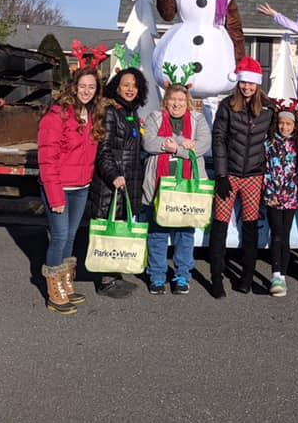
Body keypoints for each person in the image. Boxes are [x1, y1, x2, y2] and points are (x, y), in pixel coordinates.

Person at [38, 68, 106, 315]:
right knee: (59, 237)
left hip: (81, 187)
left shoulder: (91, 114)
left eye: (92, 87)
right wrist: (55, 196)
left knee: (70, 237)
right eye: (83, 86)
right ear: (73, 87)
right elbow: (47, 159)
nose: (87, 91)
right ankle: (54, 292)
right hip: (60, 188)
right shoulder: (56, 116)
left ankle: (66, 284)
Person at [209, 57, 274, 298]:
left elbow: (279, 135)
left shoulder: (268, 108)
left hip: (254, 175)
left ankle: (246, 277)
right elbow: (219, 139)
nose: (246, 87)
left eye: (251, 83)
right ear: (238, 83)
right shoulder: (227, 105)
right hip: (230, 174)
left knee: (250, 228)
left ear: (257, 84)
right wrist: (222, 173)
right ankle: (216, 279)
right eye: (243, 82)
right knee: (220, 225)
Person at [141, 82, 211, 295]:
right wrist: (183, 143)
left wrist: (175, 148)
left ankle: (182, 275)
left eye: (181, 100)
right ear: (166, 101)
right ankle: (157, 275)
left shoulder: (198, 119)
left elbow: (203, 144)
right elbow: (148, 143)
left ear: (187, 101)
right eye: (173, 99)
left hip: (187, 184)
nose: (177, 104)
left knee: (184, 233)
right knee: (157, 232)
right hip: (159, 183)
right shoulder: (156, 117)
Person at [88, 68, 149, 298]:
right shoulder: (112, 112)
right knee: (108, 230)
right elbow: (103, 150)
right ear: (117, 86)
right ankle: (105, 280)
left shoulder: (130, 113)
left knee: (118, 230)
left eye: (134, 85)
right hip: (111, 185)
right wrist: (113, 175)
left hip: (128, 184)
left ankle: (112, 276)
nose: (130, 89)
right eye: (126, 84)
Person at [263, 102, 298, 297]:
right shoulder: (269, 142)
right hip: (273, 193)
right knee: (276, 233)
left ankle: (283, 276)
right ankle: (275, 273)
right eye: (281, 123)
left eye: (289, 124)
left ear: (294, 125)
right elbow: (265, 168)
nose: (284, 127)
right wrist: (267, 192)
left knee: (285, 235)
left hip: (291, 194)